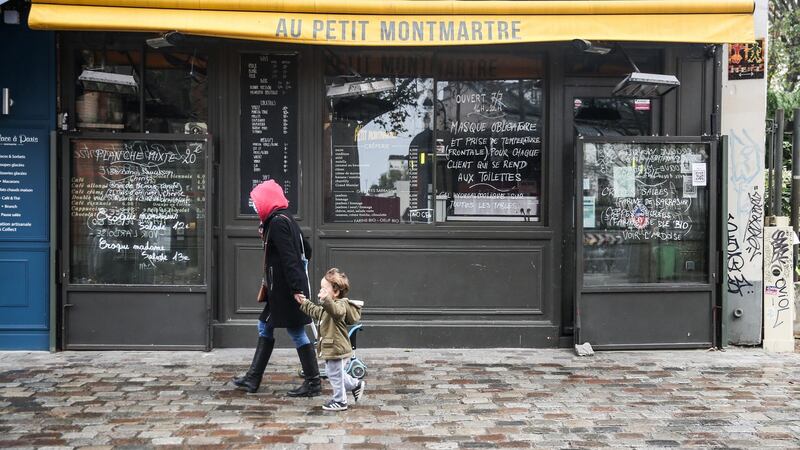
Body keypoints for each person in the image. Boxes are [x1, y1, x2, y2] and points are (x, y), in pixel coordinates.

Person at [232, 179, 321, 397]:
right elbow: (306, 250)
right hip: (280, 291)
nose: (254, 206)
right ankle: (253, 378)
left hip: (286, 291)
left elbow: (290, 257)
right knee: (265, 326)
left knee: (297, 332)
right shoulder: (284, 218)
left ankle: (313, 383)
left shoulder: (278, 223)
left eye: (256, 201)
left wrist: (296, 288)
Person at [295, 268, 365, 411]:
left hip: (337, 348)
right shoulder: (328, 307)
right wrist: (304, 303)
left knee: (334, 373)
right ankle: (355, 384)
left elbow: (337, 313)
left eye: (323, 289)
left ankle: (340, 401)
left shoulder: (339, 305)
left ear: (336, 292)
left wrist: (326, 300)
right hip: (332, 347)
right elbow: (317, 312)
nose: (320, 292)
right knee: (334, 373)